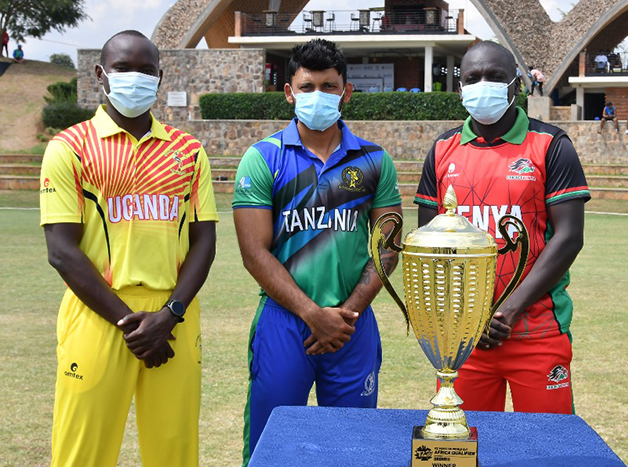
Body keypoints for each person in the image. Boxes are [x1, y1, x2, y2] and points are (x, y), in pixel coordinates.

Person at [39, 30, 218, 467]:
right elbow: (61, 250)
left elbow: (205, 242)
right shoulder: (70, 147)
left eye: (146, 70)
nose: (134, 78)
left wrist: (168, 315)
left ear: (160, 79)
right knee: (82, 453)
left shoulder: (188, 152)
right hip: (99, 314)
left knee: (173, 452)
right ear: (101, 74)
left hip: (171, 314)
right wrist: (131, 323)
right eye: (123, 68)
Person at [233, 38, 402, 466]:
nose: (317, 97)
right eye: (307, 88)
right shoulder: (262, 158)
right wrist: (313, 315)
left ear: (346, 92)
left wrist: (345, 315)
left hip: (351, 325)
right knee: (272, 448)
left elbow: (387, 247)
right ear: (289, 92)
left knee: (352, 450)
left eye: (328, 87)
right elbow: (255, 253)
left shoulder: (374, 160)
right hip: (284, 323)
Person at [415, 41, 589, 414]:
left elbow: (570, 237)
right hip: (463, 337)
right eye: (473, 78)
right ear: (461, 88)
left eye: (496, 77)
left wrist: (508, 311)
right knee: (465, 447)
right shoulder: (442, 150)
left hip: (536, 329)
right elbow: (427, 245)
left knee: (546, 451)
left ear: (516, 85)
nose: (484, 85)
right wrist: (465, 315)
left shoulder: (550, 145)